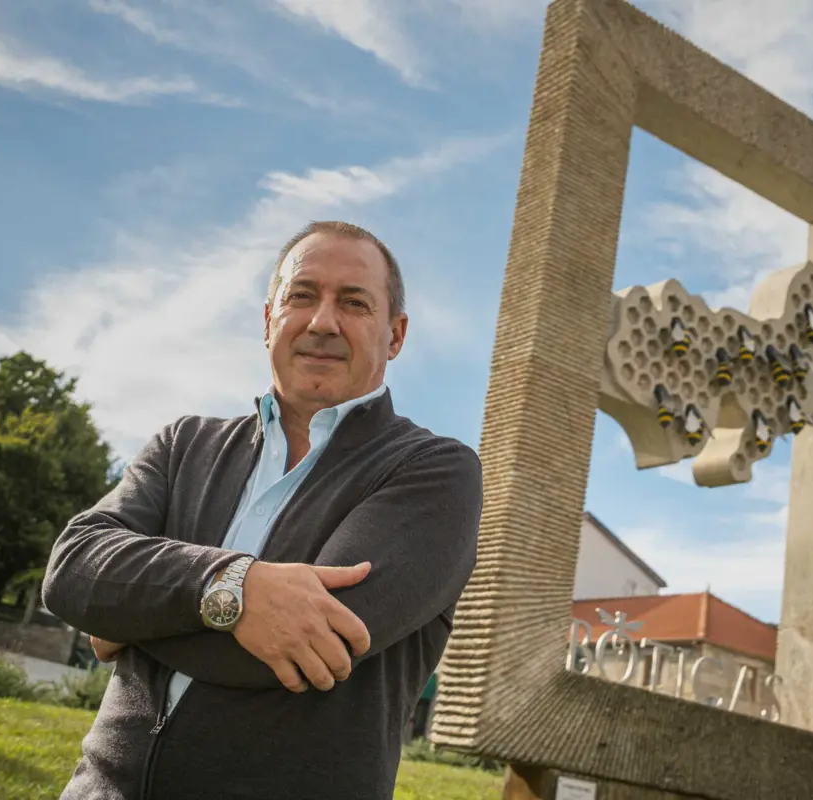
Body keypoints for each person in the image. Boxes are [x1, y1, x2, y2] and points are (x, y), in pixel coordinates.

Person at [41, 221, 483, 800]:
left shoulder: (435, 471)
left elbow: (310, 646)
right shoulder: (183, 445)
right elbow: (72, 568)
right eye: (302, 296)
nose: (323, 322)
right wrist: (230, 588)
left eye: (354, 303)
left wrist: (129, 615)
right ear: (268, 317)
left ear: (395, 335)